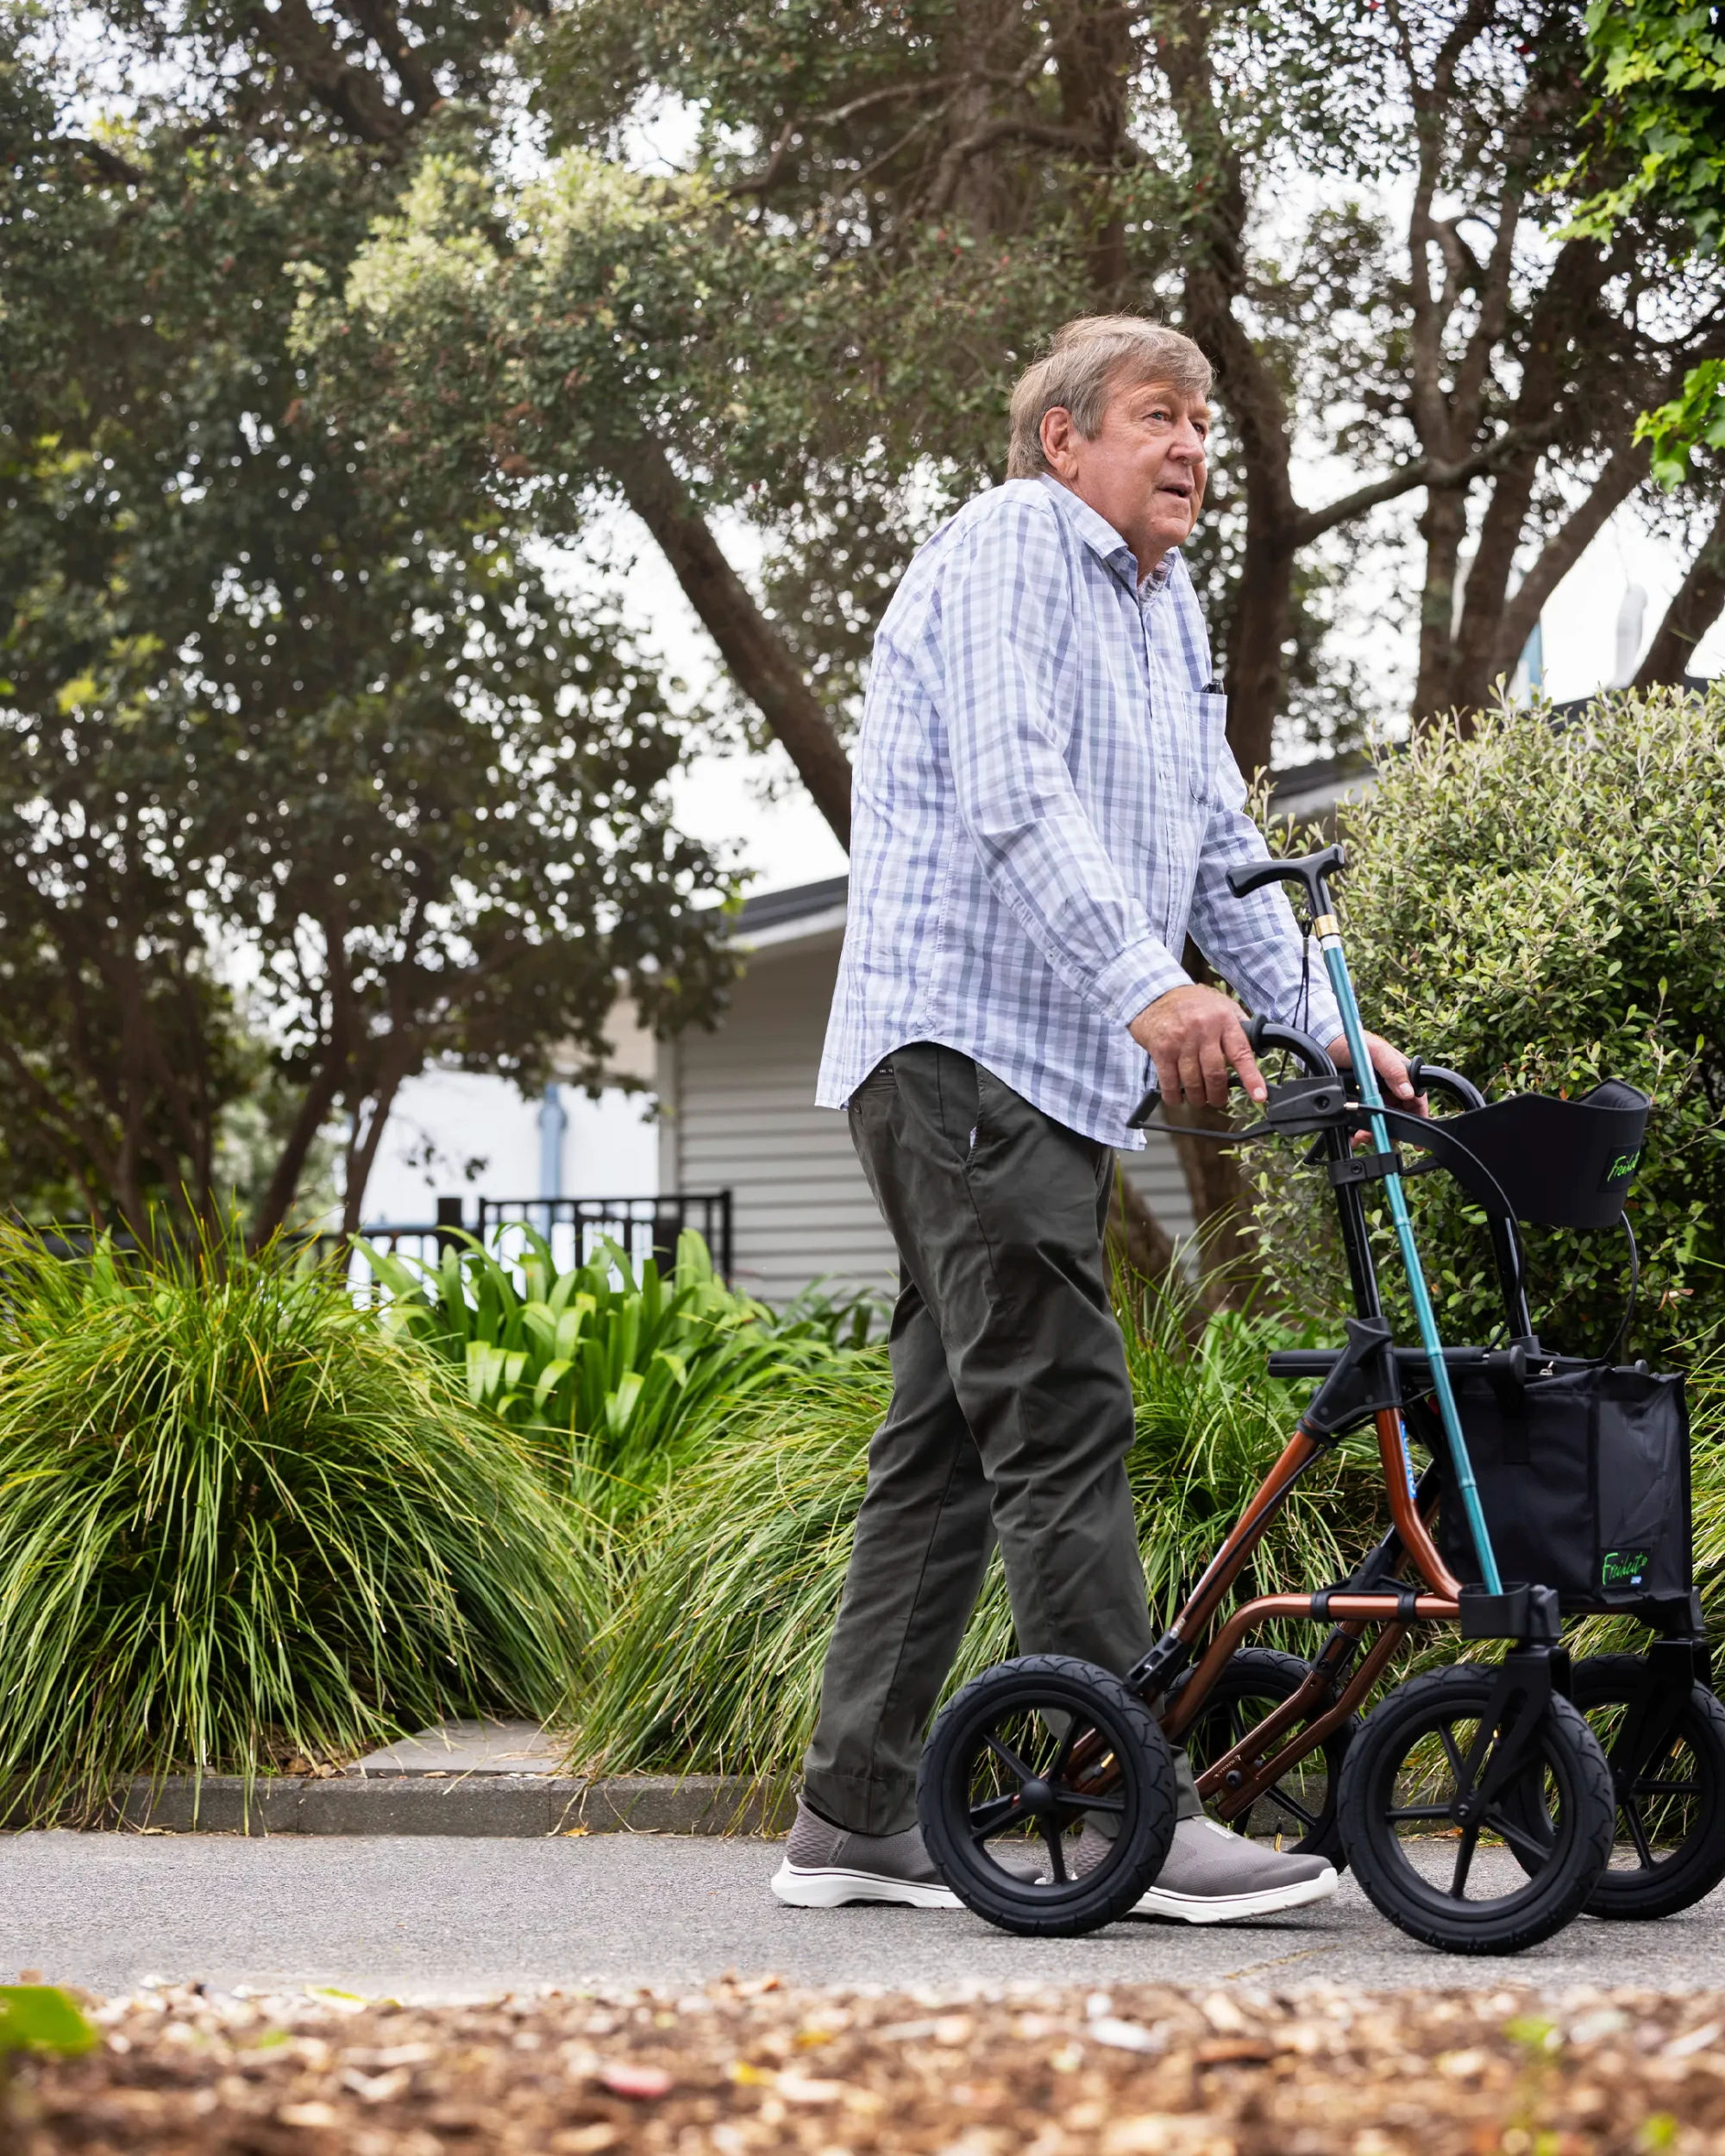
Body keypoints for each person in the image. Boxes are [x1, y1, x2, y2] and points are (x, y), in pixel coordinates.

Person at [771, 315, 1421, 1922]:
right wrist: (1155, 990)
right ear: (1065, 440)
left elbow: (1216, 847)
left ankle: (852, 1814)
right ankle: (1140, 1804)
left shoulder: (1165, 604)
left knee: (948, 1447)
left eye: (1205, 424)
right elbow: (1009, 787)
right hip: (960, 1046)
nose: (1194, 446)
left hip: (1036, 1076)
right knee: (1063, 1410)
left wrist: (1334, 1028)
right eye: (1156, 416)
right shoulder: (1010, 547)